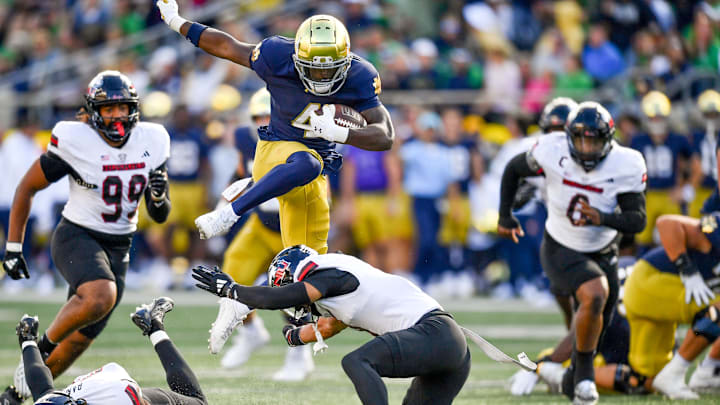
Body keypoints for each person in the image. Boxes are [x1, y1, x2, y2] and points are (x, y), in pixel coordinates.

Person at [154, 1, 394, 254]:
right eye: (313, 69)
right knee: (307, 162)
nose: (321, 77)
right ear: (298, 57)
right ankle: (229, 212)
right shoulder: (276, 54)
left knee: (308, 263)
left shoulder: (361, 75)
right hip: (275, 150)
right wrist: (176, 22)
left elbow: (385, 135)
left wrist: (341, 133)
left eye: (329, 70)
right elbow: (227, 46)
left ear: (346, 62)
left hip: (317, 172)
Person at [0, 70, 171, 404]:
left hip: (120, 245)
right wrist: (13, 247)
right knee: (99, 296)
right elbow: (27, 187)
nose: (118, 115)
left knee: (78, 341)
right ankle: (36, 345)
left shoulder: (153, 138)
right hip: (76, 235)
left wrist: (160, 198)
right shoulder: (75, 139)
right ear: (94, 112)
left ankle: (14, 396)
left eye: (123, 107)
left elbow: (160, 215)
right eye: (109, 109)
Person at [497, 101, 647, 405]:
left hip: (604, 250)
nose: (586, 148)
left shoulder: (626, 163)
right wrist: (504, 215)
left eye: (593, 140)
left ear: (609, 140)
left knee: (595, 323)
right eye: (580, 139)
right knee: (594, 295)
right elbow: (513, 169)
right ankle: (584, 378)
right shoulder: (552, 149)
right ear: (567, 137)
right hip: (561, 245)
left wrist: (602, 218)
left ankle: (567, 377)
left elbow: (638, 220)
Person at [191, 245, 471, 405]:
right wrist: (293, 338)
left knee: (357, 361)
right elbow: (325, 329)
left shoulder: (329, 276)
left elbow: (282, 297)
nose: (301, 307)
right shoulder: (344, 280)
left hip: (436, 335)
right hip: (450, 347)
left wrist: (233, 290)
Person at [215, 88, 315, 381]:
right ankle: (251, 332)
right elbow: (241, 175)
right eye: (259, 118)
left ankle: (299, 353)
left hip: (294, 226)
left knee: (294, 292)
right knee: (230, 278)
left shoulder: (300, 141)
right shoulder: (246, 140)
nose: (265, 124)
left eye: (269, 117)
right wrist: (221, 206)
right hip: (260, 225)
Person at [10, 297, 208, 405]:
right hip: (80, 393)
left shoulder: (119, 397)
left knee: (197, 403)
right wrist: (28, 345)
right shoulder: (51, 403)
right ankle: (27, 338)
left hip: (114, 389)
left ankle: (154, 326)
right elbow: (43, 391)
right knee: (44, 393)